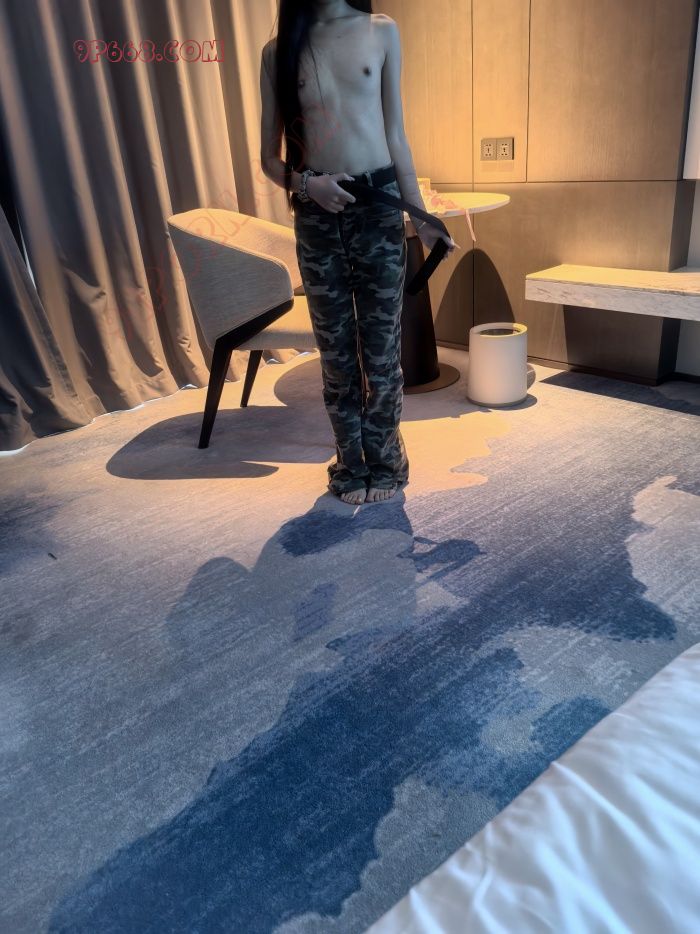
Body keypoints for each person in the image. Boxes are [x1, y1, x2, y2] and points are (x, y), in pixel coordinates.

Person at [260, 0, 456, 505]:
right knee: (336, 353)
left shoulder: (381, 31)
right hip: (317, 214)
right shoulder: (278, 52)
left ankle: (386, 461)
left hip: (378, 205)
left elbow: (396, 136)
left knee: (382, 348)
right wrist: (307, 184)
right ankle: (350, 464)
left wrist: (421, 219)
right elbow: (268, 158)